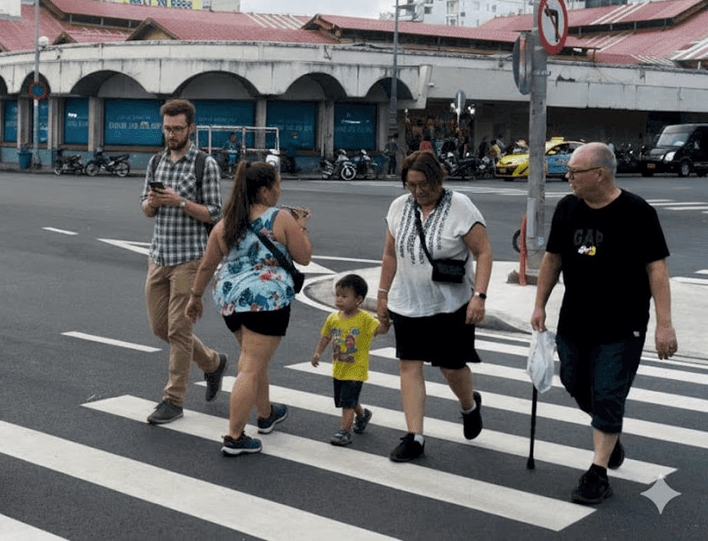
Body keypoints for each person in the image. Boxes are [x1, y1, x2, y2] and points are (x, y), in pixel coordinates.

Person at [531, 142, 677, 505]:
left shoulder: (637, 212)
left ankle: (597, 471)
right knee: (575, 382)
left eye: (574, 173)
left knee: (609, 392)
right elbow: (552, 259)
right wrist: (539, 305)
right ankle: (608, 430)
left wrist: (665, 324)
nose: (568, 178)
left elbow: (656, 269)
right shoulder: (567, 209)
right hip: (574, 321)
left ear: (599, 174)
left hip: (622, 325)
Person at [186, 162, 312, 455]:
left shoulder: (226, 222)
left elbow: (207, 265)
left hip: (231, 301)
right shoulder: (280, 218)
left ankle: (266, 414)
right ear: (265, 191)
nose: (280, 190)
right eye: (277, 185)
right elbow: (304, 256)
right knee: (250, 366)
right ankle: (235, 436)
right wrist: (301, 226)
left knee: (253, 359)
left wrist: (194, 298)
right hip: (266, 301)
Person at [376, 149, 492, 462]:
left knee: (451, 366)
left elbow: (483, 252)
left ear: (437, 178)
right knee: (408, 365)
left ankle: (469, 405)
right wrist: (383, 294)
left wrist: (479, 296)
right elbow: (390, 254)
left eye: (423, 184)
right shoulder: (399, 207)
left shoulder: (460, 206)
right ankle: (415, 436)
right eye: (410, 185)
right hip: (407, 301)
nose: (417, 191)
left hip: (451, 304)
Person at [140, 99, 227, 425]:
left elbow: (215, 213)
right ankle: (212, 363)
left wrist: (180, 202)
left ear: (191, 128)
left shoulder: (205, 165)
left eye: (177, 129)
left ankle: (172, 400)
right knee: (160, 327)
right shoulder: (155, 163)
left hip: (190, 258)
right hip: (158, 256)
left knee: (179, 329)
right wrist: (152, 202)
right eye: (167, 128)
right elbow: (145, 208)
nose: (171, 134)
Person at [311, 274, 388, 447]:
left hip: (356, 369)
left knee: (347, 401)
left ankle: (344, 431)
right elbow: (326, 336)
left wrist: (386, 323)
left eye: (344, 296)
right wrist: (317, 353)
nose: (339, 299)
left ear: (359, 299)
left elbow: (380, 330)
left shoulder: (365, 319)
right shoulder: (333, 318)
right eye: (337, 295)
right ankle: (362, 415)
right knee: (347, 400)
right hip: (339, 367)